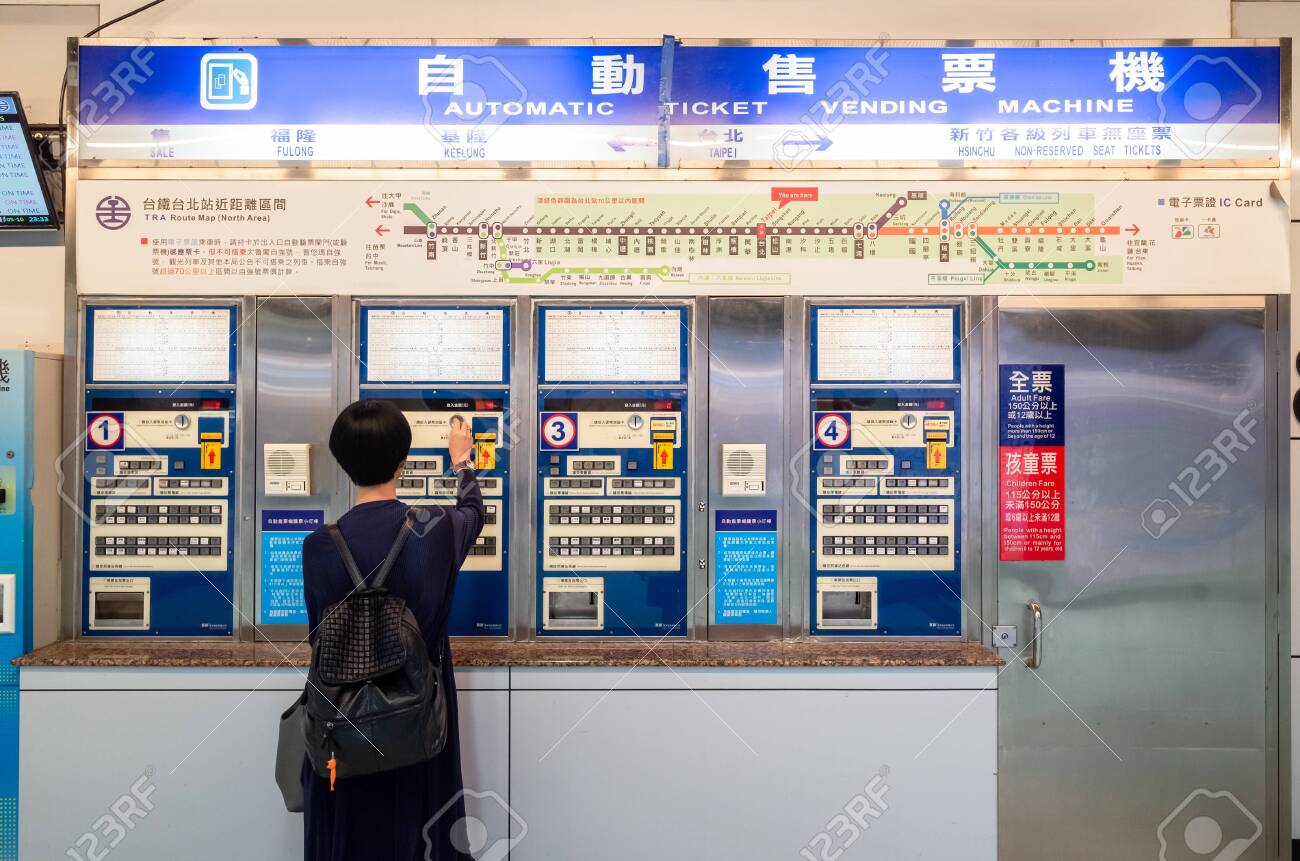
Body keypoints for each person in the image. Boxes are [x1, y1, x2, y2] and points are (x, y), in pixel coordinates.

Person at [300, 399, 484, 861]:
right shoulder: (435, 528)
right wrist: (463, 463)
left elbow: (317, 637)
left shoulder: (318, 546)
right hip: (419, 720)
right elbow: (473, 513)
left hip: (342, 725)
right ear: (403, 463)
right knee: (419, 833)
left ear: (343, 464)